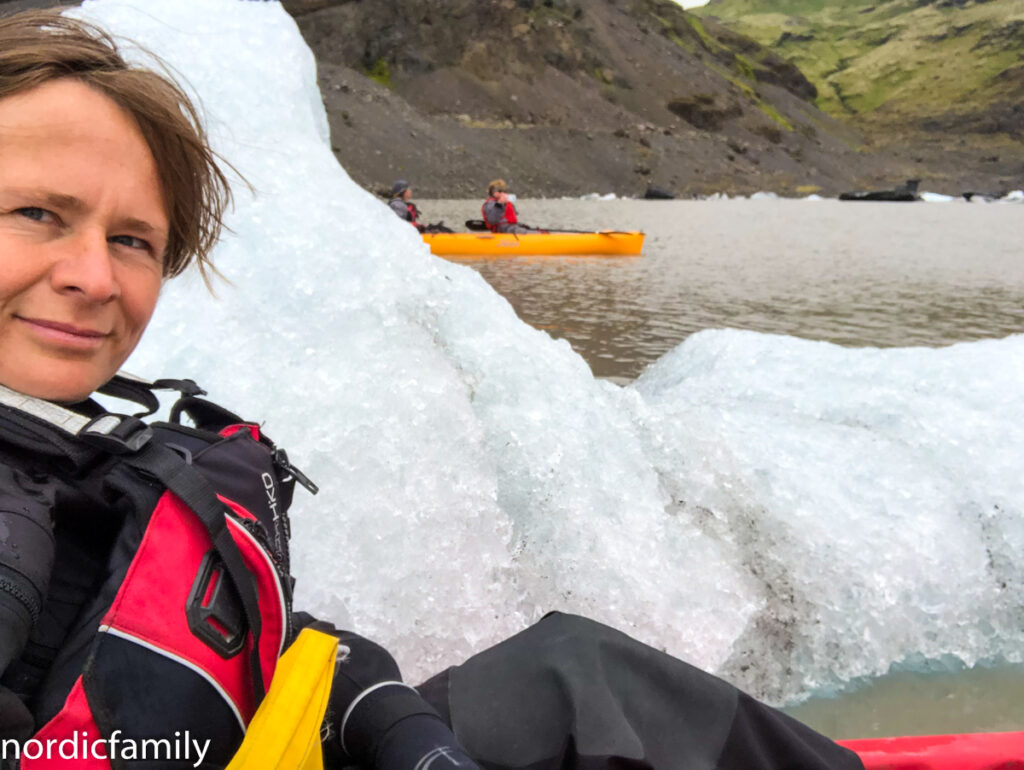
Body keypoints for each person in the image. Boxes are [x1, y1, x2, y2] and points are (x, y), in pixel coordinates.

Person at [0, 9, 865, 770]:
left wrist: (383, 711)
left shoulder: (85, 444)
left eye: (133, 240)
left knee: (576, 674)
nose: (94, 278)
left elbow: (228, 643)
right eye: (38, 212)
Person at [481, 179, 546, 234]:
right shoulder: (490, 204)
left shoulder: (504, 202)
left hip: (510, 227)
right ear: (494, 192)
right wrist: (499, 204)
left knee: (531, 229)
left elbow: (514, 214)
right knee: (527, 232)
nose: (503, 193)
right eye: (500, 191)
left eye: (504, 191)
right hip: (503, 229)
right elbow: (492, 220)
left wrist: (507, 203)